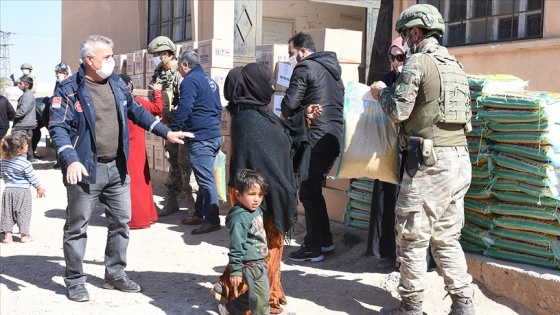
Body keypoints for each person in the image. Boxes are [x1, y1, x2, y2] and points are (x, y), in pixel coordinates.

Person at [48, 35, 192, 302]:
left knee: (121, 223)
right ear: (89, 60)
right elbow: (58, 127)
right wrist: (71, 158)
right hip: (85, 170)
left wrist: (166, 132)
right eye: (107, 57)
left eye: (113, 56)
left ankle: (114, 272)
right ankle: (75, 280)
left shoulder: (116, 84)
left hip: (118, 168)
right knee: (77, 226)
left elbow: (139, 113)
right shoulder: (68, 89)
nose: (112, 62)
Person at [370, 4, 474, 315]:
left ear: (416, 33)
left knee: (412, 238)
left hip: (430, 162)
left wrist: (381, 93)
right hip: (458, 160)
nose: (403, 41)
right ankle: (463, 304)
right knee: (446, 238)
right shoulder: (454, 64)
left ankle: (411, 308)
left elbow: (399, 110)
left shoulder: (418, 62)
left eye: (404, 34)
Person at [213, 63, 314, 314]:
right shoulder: (248, 119)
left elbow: (283, 135)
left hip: (263, 194)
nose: (270, 88)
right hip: (257, 198)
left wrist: (304, 117)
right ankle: (244, 303)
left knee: (263, 252)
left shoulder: (257, 113)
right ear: (254, 86)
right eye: (266, 83)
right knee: (258, 254)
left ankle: (248, 293)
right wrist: (275, 190)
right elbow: (263, 156)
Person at [281, 32, 344, 263]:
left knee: (308, 190)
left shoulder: (305, 67)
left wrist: (289, 112)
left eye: (291, 54)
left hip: (314, 136)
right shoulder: (333, 71)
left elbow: (289, 105)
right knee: (314, 189)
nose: (291, 59)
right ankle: (324, 241)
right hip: (332, 137)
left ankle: (313, 247)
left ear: (303, 51)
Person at [171, 50, 223, 235]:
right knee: (204, 177)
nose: (179, 70)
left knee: (206, 180)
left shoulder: (190, 81)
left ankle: (212, 220)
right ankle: (200, 214)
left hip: (201, 137)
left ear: (185, 65)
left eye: (179, 67)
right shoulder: (210, 81)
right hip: (213, 135)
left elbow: (185, 106)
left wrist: (174, 128)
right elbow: (218, 108)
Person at [147, 36, 196, 216]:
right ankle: (171, 201)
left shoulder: (181, 73)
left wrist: (171, 118)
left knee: (185, 164)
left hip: (182, 126)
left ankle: (193, 204)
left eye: (156, 54)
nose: (154, 58)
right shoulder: (160, 72)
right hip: (168, 126)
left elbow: (186, 103)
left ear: (166, 54)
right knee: (173, 164)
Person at [370, 37, 407, 270]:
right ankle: (386, 252)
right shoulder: (386, 79)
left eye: (400, 57)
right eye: (392, 57)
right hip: (387, 146)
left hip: (408, 148)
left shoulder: (412, 79)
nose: (395, 62)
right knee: (386, 197)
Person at [218, 169, 270, 315]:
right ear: (238, 195)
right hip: (251, 264)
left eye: (260, 195)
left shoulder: (256, 210)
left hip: (259, 262)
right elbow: (236, 246)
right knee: (261, 298)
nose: (257, 199)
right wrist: (235, 271)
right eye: (251, 194)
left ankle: (229, 309)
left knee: (259, 292)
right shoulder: (239, 218)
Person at [120, 73, 162, 229]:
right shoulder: (136, 102)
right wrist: (157, 92)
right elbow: (157, 109)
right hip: (138, 148)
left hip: (123, 149)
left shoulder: (116, 103)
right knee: (141, 182)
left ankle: (136, 218)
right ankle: (144, 217)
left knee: (130, 184)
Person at [1, 131, 46, 244]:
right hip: (23, 191)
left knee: (7, 213)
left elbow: (3, 174)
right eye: (26, 145)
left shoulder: (4, 161)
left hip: (8, 191)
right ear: (19, 149)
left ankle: (7, 236)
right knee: (23, 213)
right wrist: (39, 188)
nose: (27, 146)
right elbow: (32, 177)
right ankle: (24, 236)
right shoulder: (25, 164)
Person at [50, 61, 73, 168]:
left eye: (58, 73)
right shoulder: (59, 84)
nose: (56, 75)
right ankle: (60, 160)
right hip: (58, 115)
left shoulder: (72, 84)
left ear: (65, 73)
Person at [12, 76, 37, 162]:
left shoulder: (27, 95)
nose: (19, 85)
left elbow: (23, 110)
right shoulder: (27, 94)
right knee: (26, 144)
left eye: (21, 83)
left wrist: (12, 116)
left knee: (17, 144)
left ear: (27, 85)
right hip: (25, 124)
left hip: (22, 124)